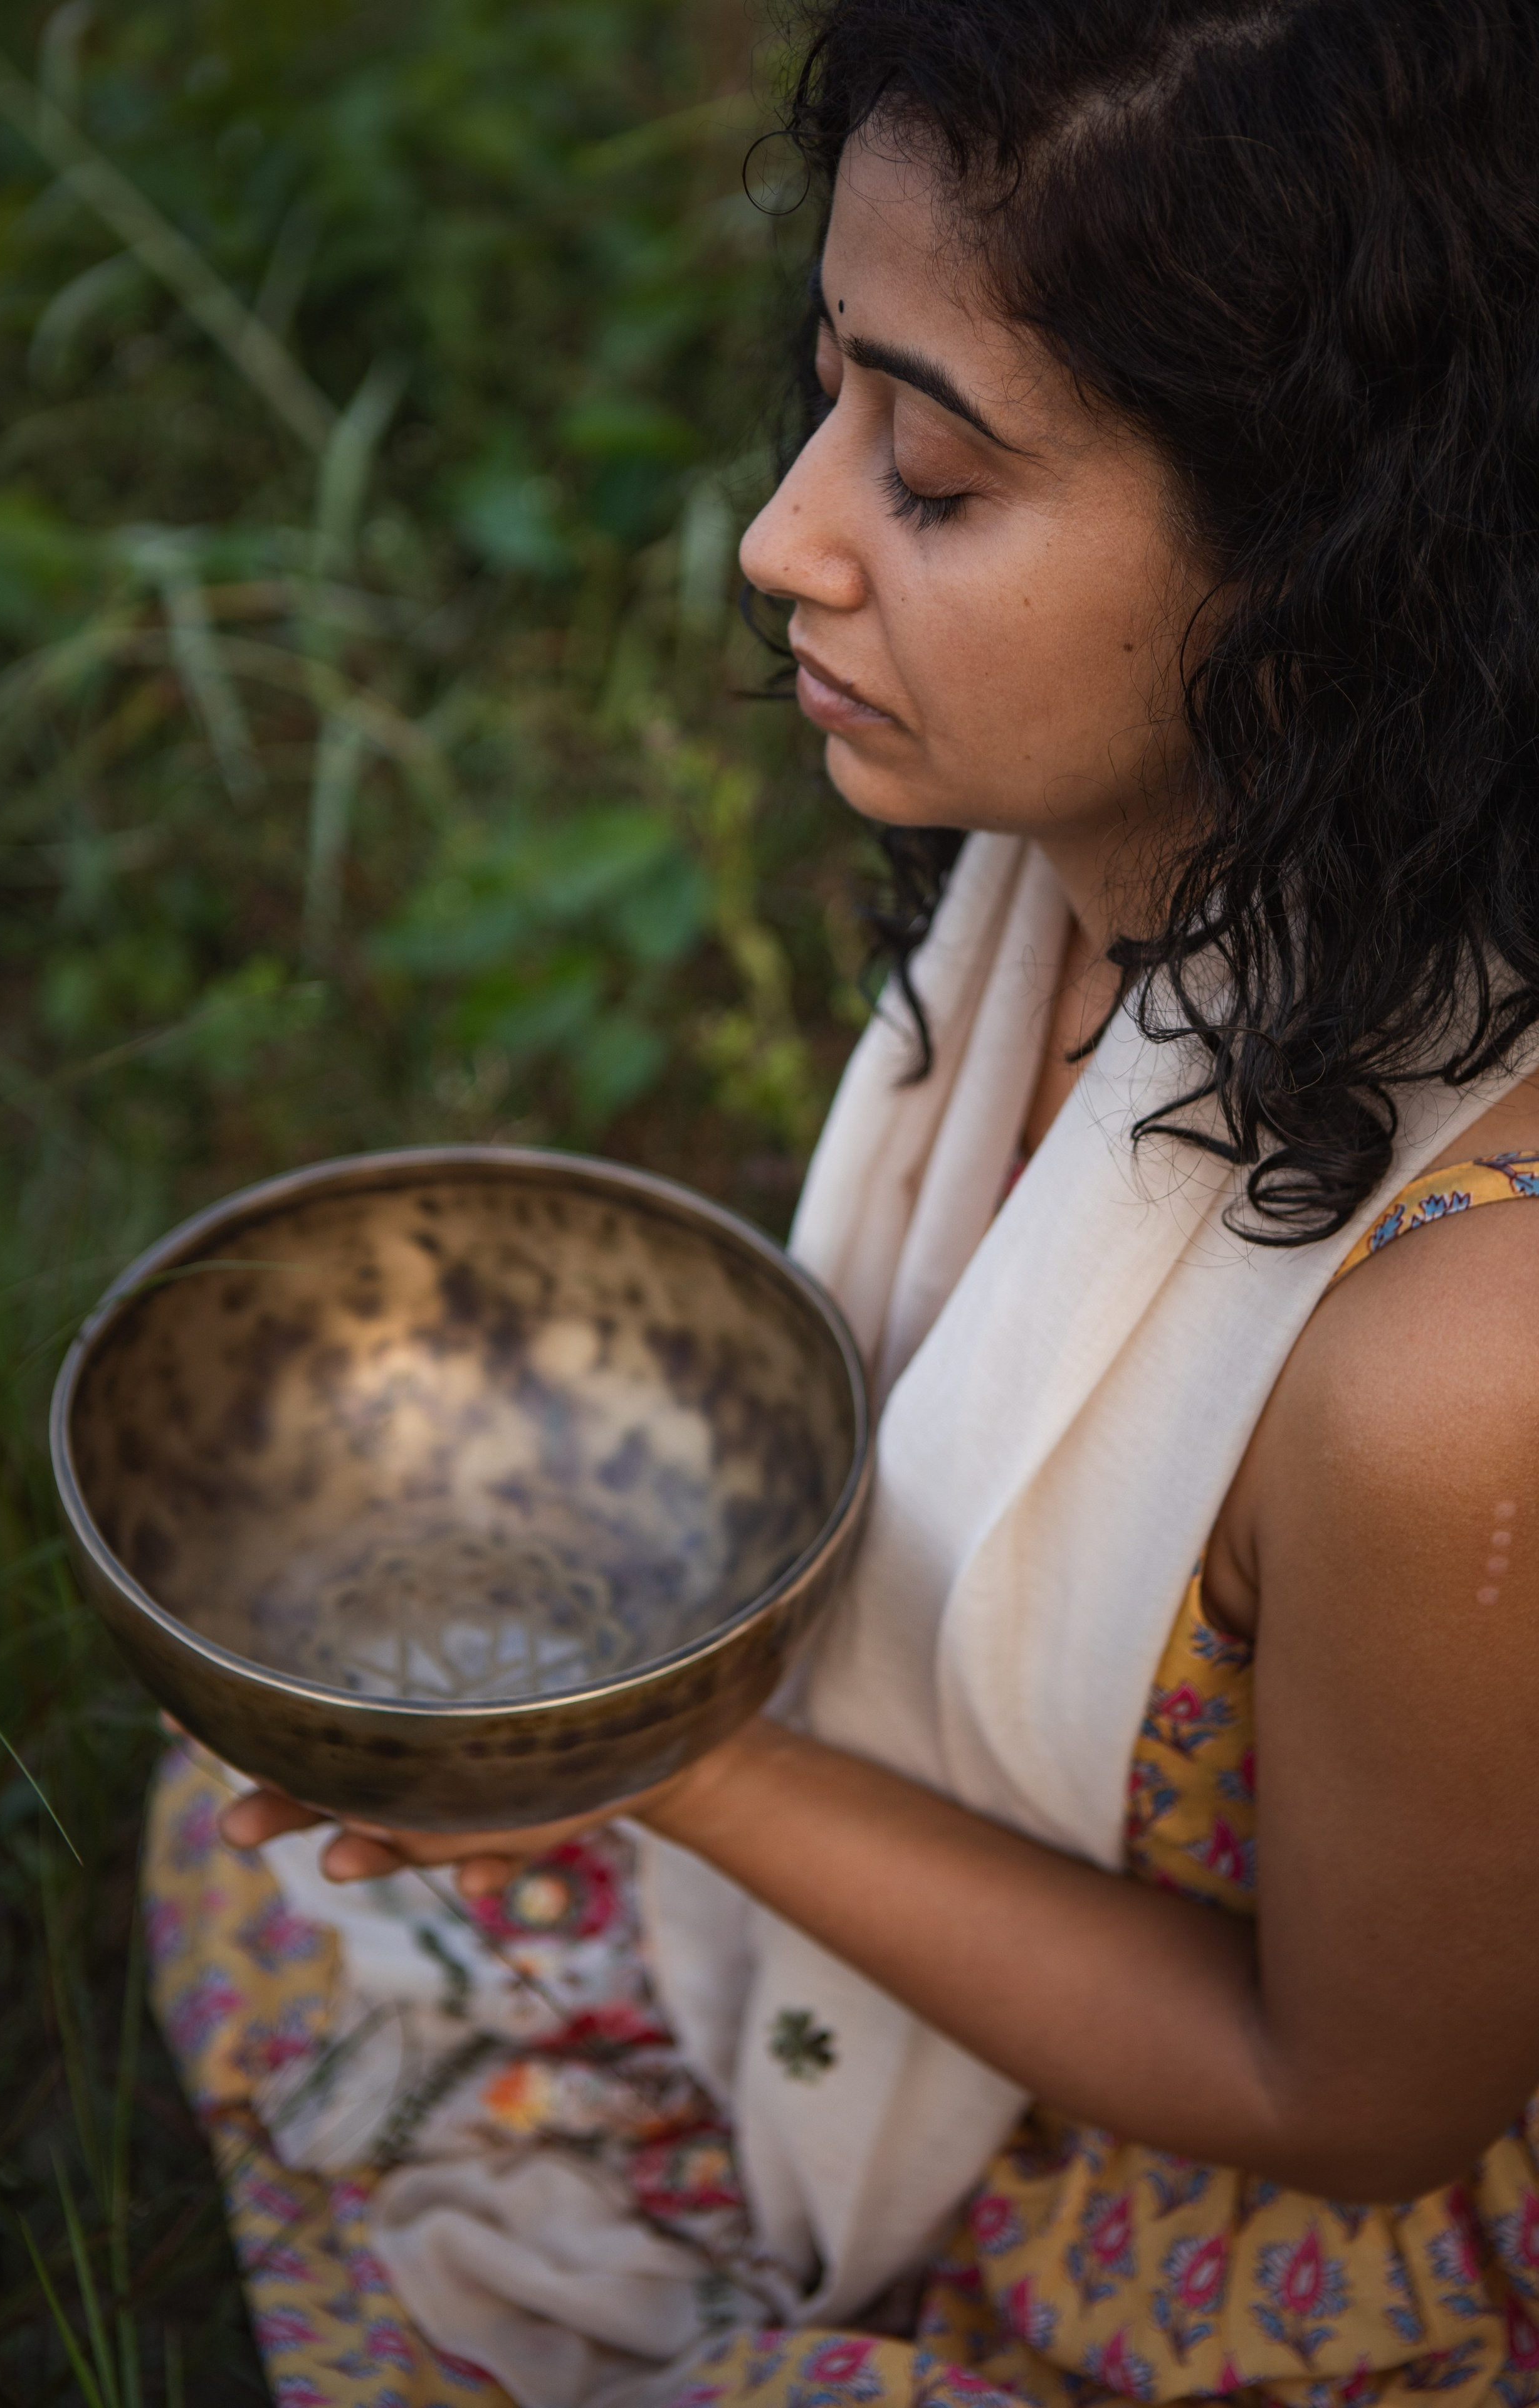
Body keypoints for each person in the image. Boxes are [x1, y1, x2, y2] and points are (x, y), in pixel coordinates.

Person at [143, 3, 1539, 2404]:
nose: (782, 535)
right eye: (828, 401)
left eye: (933, 474)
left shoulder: (1460, 1366)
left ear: (1338, 582)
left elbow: (1361, 2106)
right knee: (237, 1826)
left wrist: (656, 1751)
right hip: (958, 1946)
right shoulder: (1125, 865)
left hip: (1242, 2199)